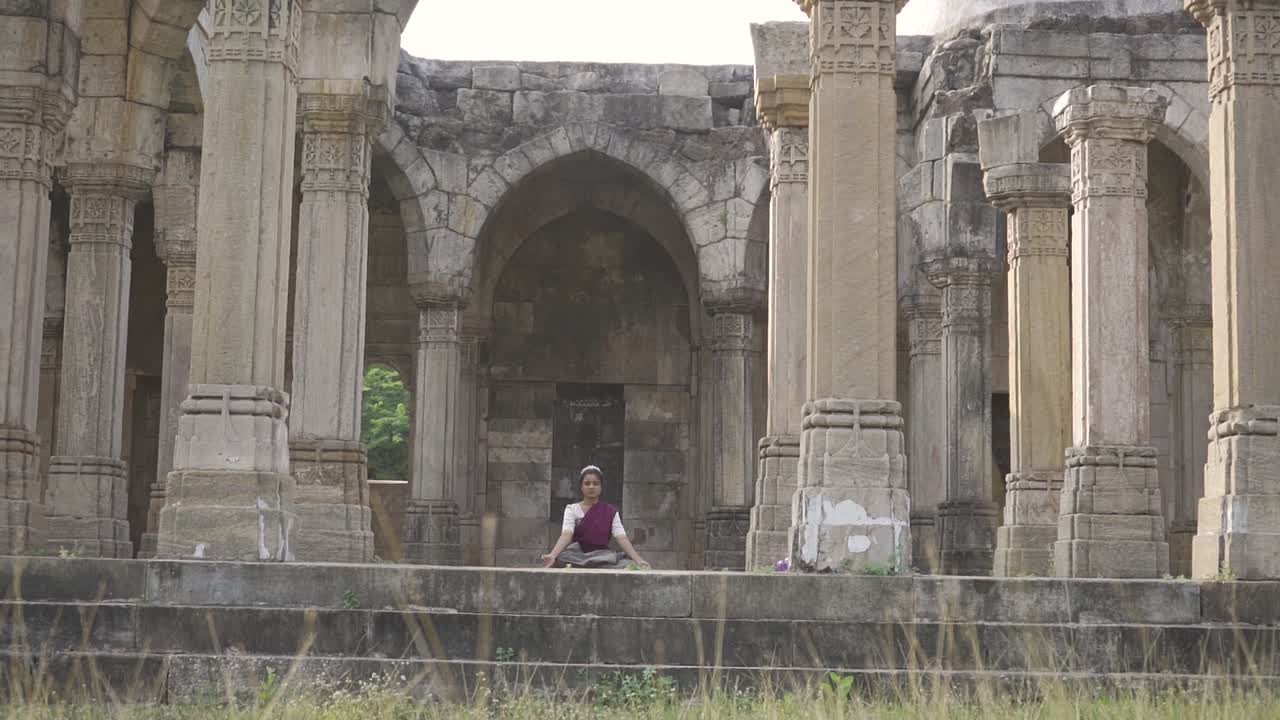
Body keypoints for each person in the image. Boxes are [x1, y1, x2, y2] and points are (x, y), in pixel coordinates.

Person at [541, 465, 650, 569]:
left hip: (602, 555)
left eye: (595, 483)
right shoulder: (571, 509)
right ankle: (595, 564)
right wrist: (553, 555)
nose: (591, 487)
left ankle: (594, 564)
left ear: (601, 487)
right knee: (561, 558)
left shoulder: (610, 511)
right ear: (581, 487)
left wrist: (638, 560)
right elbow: (566, 535)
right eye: (587, 483)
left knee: (628, 564)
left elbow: (621, 538)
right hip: (577, 555)